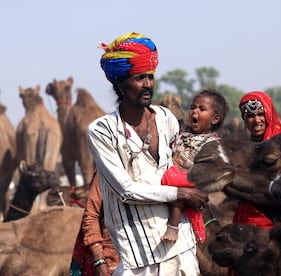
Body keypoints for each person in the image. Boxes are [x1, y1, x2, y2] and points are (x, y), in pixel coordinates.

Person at [87, 32, 208, 276]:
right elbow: (126, 190)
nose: (148, 85)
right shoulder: (101, 131)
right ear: (120, 84)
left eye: (150, 77)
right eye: (140, 78)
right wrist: (181, 192)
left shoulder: (166, 118)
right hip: (138, 255)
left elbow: (177, 169)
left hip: (181, 246)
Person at [160, 89, 228, 243]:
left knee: (177, 191)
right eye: (193, 107)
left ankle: (173, 226)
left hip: (190, 179)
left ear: (215, 119)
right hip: (173, 173)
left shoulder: (212, 143)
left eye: (202, 109)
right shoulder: (182, 133)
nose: (194, 112)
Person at [233, 91, 281, 228]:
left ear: (268, 115)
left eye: (260, 114)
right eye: (250, 116)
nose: (256, 120)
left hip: (274, 219)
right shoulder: (246, 148)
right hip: (246, 217)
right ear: (244, 120)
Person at [70, 171, 120, 276]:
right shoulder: (105, 171)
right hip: (112, 260)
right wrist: (99, 260)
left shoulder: (159, 168)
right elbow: (91, 216)